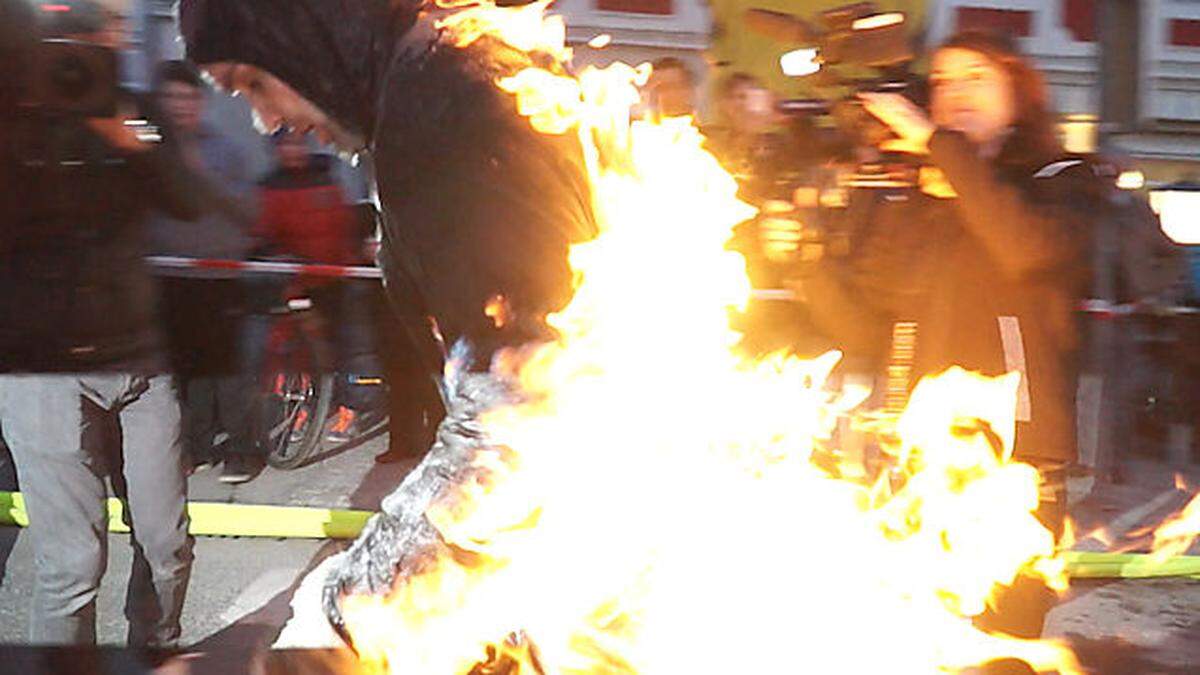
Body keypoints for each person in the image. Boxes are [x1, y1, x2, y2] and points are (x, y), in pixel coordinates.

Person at [180, 0, 598, 457]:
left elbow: (508, 406)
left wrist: (405, 527)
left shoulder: (437, 99)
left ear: (308, 32)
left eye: (254, 82)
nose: (268, 121)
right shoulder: (422, 86)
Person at [803, 31, 1097, 664]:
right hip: (909, 461)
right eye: (941, 82)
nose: (954, 93)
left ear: (1018, 95)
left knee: (997, 655)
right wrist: (804, 255)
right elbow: (861, 325)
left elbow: (1026, 248)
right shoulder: (923, 197)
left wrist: (945, 151)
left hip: (1011, 468)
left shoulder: (1060, 180)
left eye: (975, 76)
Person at [0, 0, 208, 649]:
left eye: (115, 31)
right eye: (91, 31)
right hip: (42, 370)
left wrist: (132, 144)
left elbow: (188, 201)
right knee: (70, 566)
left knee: (167, 542)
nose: (99, 47)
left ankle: (156, 645)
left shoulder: (133, 111)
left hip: (139, 360)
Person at [146, 59, 261, 483]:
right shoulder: (149, 153)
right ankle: (194, 446)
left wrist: (202, 178)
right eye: (171, 97)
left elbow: (250, 211)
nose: (180, 106)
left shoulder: (224, 150)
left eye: (189, 96)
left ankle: (242, 449)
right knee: (182, 373)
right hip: (167, 279)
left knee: (229, 372)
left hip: (219, 278)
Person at [250, 130, 380, 445]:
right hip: (298, 278)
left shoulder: (327, 178)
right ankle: (305, 407)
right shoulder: (269, 187)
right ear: (277, 150)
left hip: (336, 274)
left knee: (350, 346)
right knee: (298, 351)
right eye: (286, 145)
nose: (294, 150)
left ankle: (353, 407)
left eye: (298, 143)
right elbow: (263, 231)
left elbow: (344, 222)